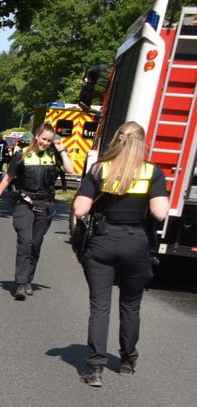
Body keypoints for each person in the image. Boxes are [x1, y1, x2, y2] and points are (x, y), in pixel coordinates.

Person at [71, 121, 169, 387]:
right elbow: (160, 213)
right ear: (143, 142)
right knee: (131, 305)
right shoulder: (152, 172)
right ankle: (127, 360)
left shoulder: (99, 169)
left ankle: (95, 369)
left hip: (103, 242)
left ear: (116, 139)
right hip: (136, 243)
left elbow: (80, 210)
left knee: (99, 307)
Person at [0, 122, 73, 300]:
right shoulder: (22, 155)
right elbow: (7, 179)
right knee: (25, 241)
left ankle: (28, 280)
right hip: (24, 203)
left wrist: (62, 149)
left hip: (45, 205)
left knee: (35, 243)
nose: (45, 143)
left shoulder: (53, 155)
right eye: (43, 139)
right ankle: (20, 283)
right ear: (36, 136)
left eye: (49, 140)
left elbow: (69, 169)